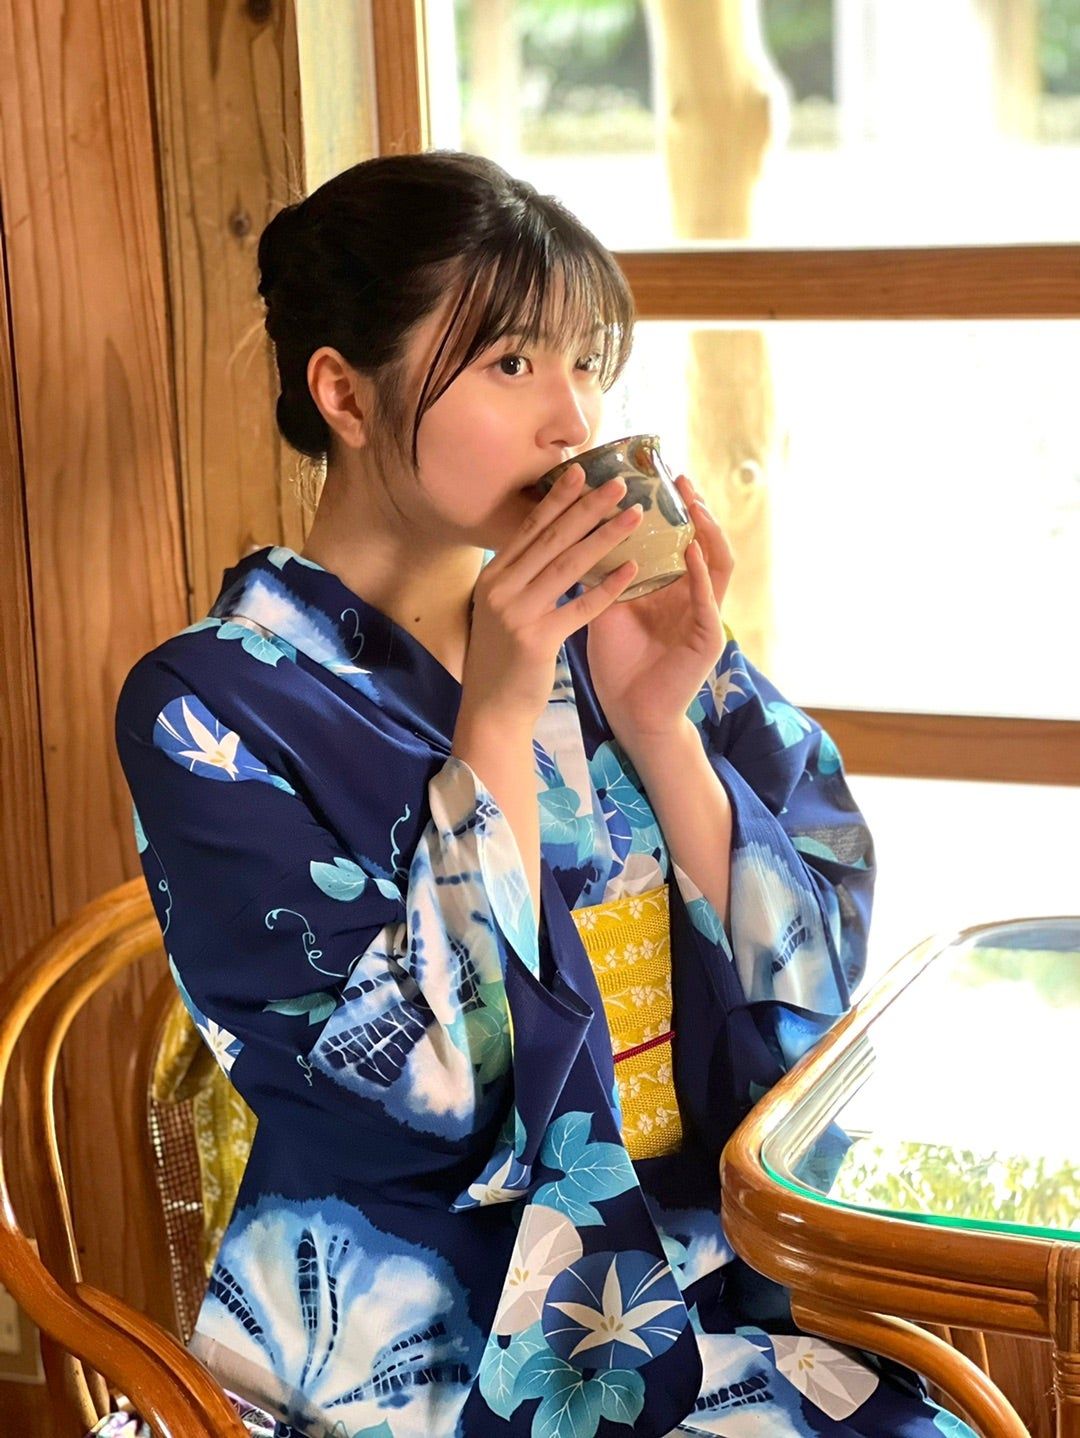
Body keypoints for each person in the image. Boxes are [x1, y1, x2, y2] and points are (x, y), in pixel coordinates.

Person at [115, 151, 971, 1438]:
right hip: (430, 1335)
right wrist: (501, 715)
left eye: (585, 363)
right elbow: (414, 1095)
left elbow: (819, 963)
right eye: (512, 363)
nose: (570, 419)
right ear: (344, 393)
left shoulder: (600, 625)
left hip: (705, 1276)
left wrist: (660, 726)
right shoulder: (208, 706)